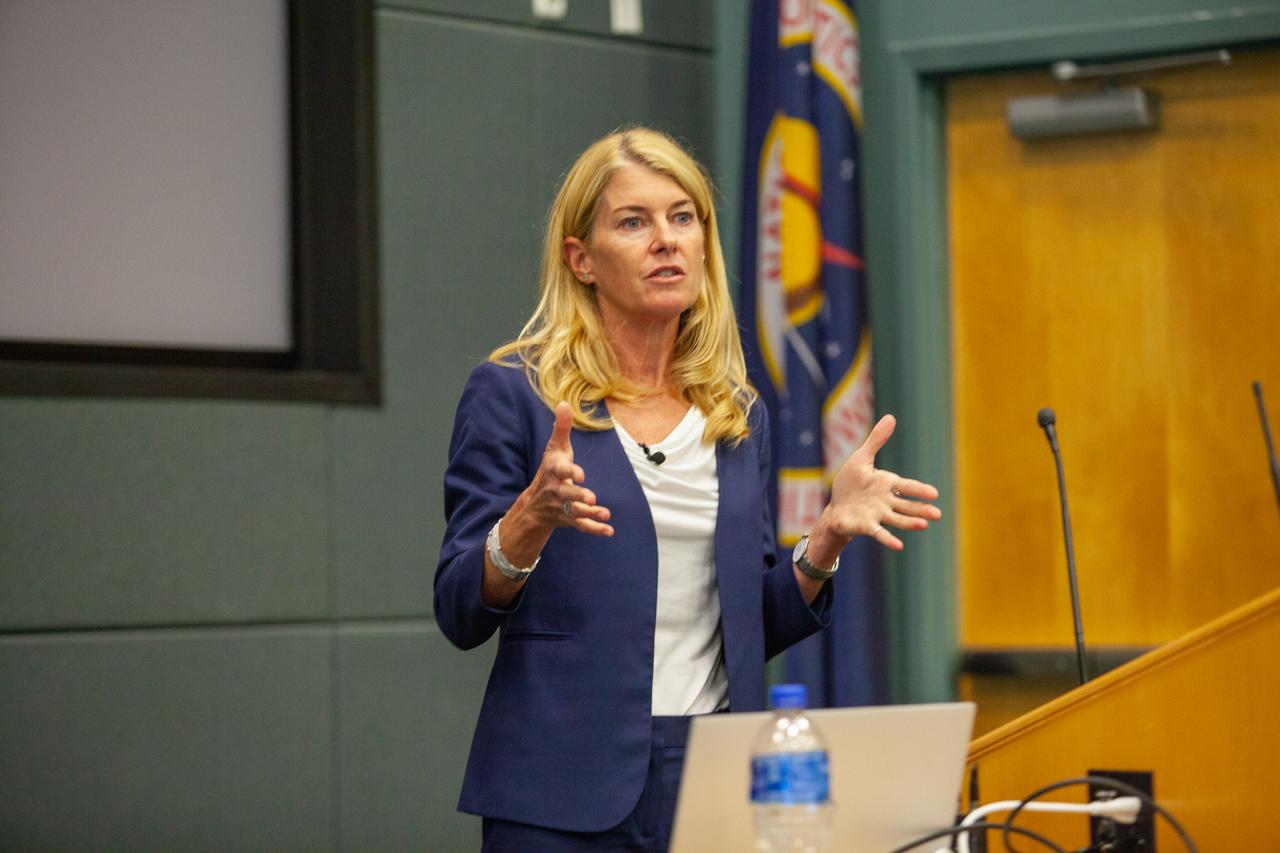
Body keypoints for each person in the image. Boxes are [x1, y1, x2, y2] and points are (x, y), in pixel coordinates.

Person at [434, 127, 941, 852]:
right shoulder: (517, 396)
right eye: (633, 222)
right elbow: (458, 609)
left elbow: (744, 623)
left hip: (712, 776)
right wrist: (527, 521)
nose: (666, 240)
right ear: (581, 259)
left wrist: (823, 541)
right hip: (557, 791)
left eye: (683, 217)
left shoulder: (735, 415)